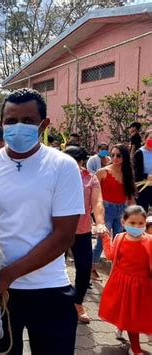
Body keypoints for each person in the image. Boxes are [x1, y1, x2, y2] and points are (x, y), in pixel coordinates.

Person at [0, 88, 84, 355]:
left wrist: (9, 275)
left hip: (49, 289)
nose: (18, 127)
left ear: (44, 124)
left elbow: (64, 236)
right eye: (11, 121)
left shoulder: (62, 166)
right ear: (1, 125)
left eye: (28, 121)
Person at [98, 205, 152, 355]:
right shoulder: (120, 238)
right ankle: (135, 347)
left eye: (141, 223)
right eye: (132, 223)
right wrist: (105, 238)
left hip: (142, 286)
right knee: (130, 316)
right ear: (123, 222)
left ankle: (122, 327)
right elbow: (110, 255)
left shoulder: (150, 241)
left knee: (135, 314)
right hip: (122, 284)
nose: (137, 226)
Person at [64, 146, 107, 324]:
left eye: (73, 161)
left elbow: (97, 202)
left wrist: (100, 222)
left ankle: (77, 303)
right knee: (53, 269)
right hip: (56, 232)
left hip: (81, 231)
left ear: (82, 161)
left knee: (83, 270)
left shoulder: (90, 179)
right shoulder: (54, 176)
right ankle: (55, 302)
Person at [92, 144, 136, 280]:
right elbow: (93, 193)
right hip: (106, 209)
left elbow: (130, 196)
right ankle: (91, 267)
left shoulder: (128, 173)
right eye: (113, 155)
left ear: (125, 157)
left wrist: (134, 213)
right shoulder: (102, 172)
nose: (115, 158)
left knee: (120, 241)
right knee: (102, 240)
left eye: (119, 155)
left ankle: (115, 271)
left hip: (122, 210)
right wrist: (92, 214)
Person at [133, 129, 152, 212]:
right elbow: (136, 172)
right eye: (150, 138)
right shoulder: (139, 153)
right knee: (143, 211)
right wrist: (147, 176)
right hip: (143, 186)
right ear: (145, 139)